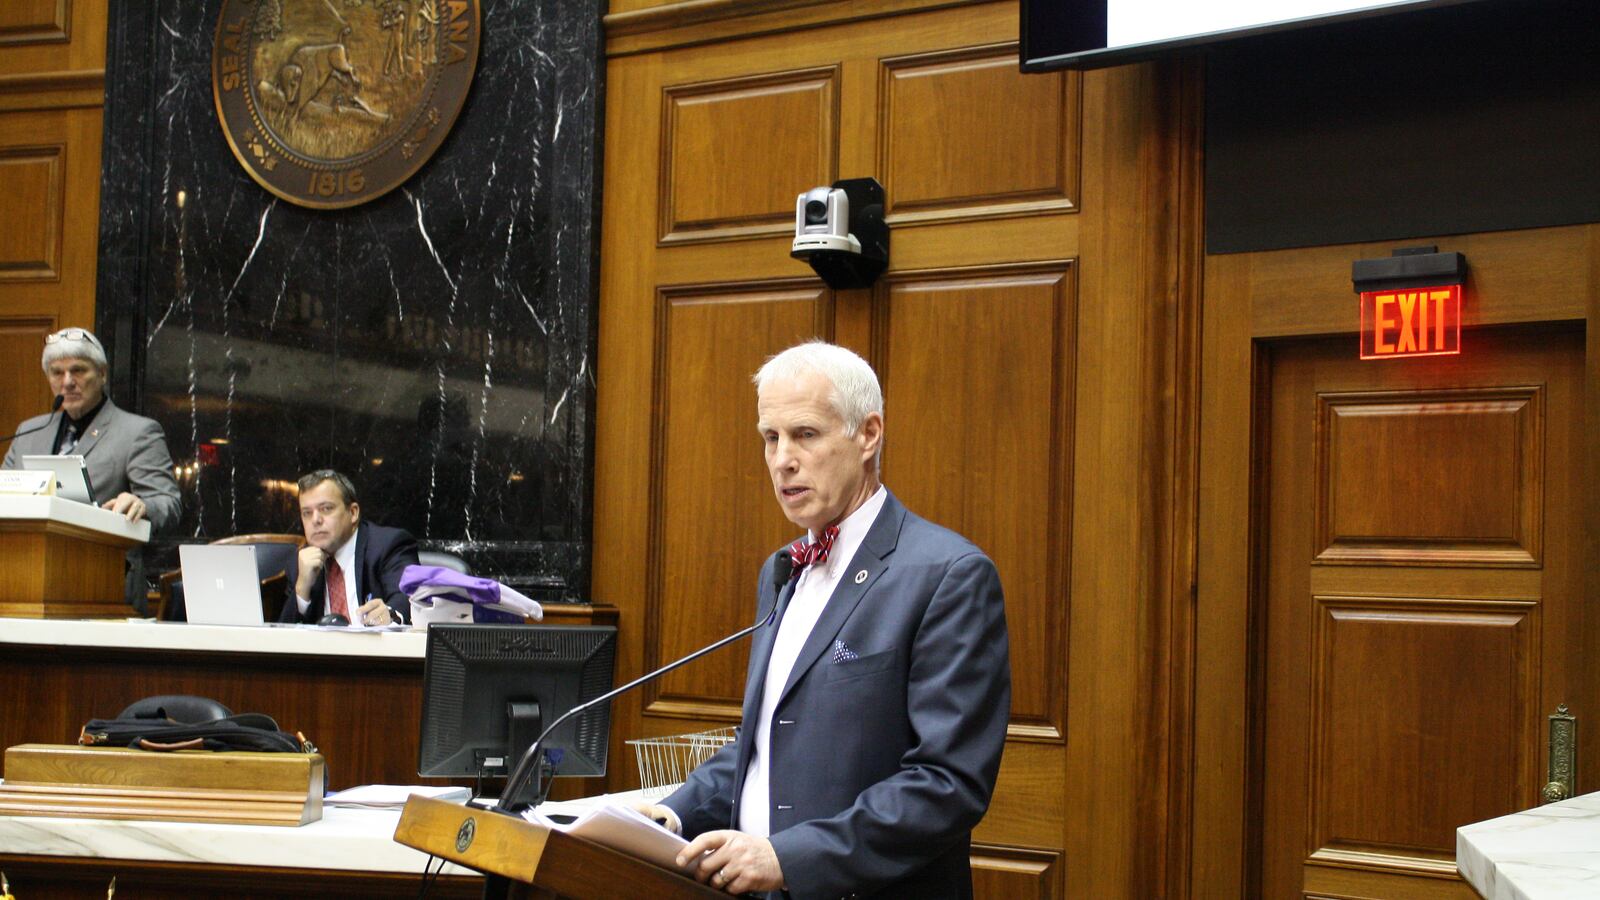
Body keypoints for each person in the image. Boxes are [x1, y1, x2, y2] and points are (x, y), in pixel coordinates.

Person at [641, 341, 1011, 899]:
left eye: (805, 434)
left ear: (868, 434)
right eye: (771, 437)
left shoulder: (948, 575)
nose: (782, 459)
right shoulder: (782, 569)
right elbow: (767, 738)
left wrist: (788, 858)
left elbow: (947, 785)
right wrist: (671, 815)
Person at [2, 327, 181, 614]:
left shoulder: (137, 432)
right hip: (25, 588)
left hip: (105, 591)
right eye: (56, 373)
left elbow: (168, 502)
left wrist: (142, 505)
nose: (67, 382)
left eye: (78, 370)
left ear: (102, 374)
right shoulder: (28, 433)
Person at [278, 469, 419, 626]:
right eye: (307, 513)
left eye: (326, 508)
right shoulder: (300, 564)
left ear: (353, 513)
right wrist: (302, 588)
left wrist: (390, 614)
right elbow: (280, 639)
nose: (315, 520)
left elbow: (408, 598)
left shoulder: (387, 545)